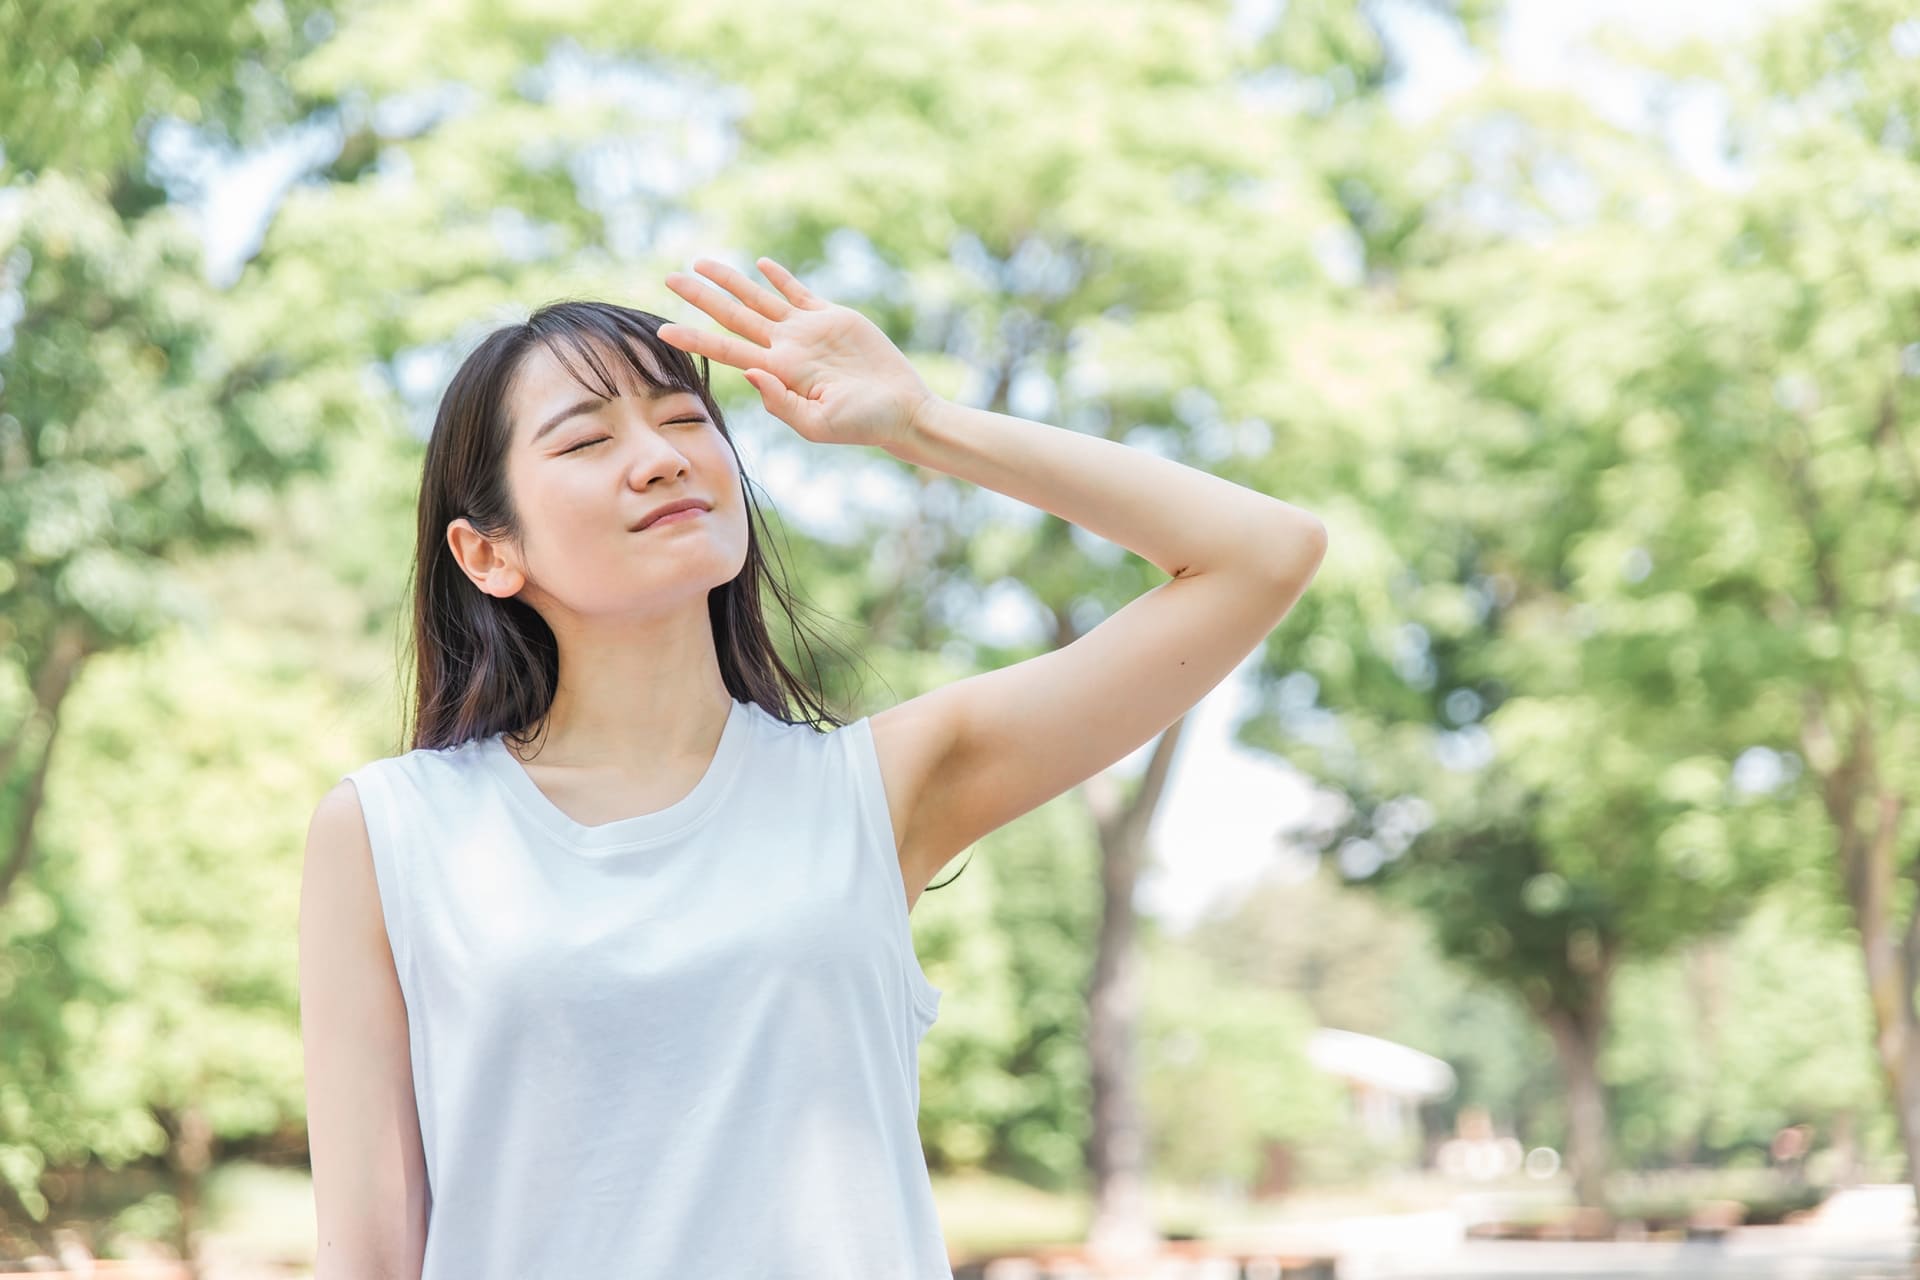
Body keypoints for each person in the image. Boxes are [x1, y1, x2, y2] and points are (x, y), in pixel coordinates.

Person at [298, 255, 1328, 1278]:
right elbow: (373, 1256)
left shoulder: (873, 792)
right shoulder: (391, 831)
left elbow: (1263, 552)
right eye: (588, 439)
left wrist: (921, 423)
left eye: (687, 418)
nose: (659, 457)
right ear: (487, 553)